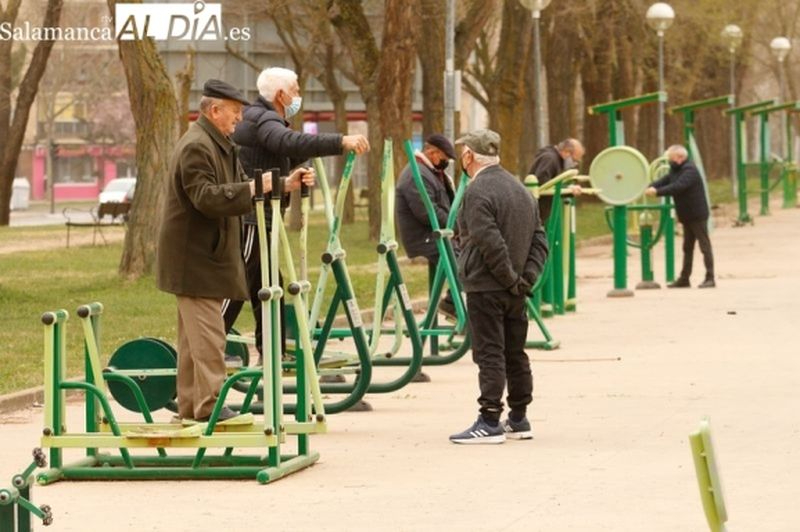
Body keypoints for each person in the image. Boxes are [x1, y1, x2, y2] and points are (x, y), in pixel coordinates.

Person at [156, 79, 312, 422]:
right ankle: (209, 407)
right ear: (215, 110)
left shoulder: (220, 145)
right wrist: (258, 185)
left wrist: (286, 184)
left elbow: (243, 186)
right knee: (209, 337)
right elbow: (207, 197)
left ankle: (191, 409)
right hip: (194, 258)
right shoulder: (197, 146)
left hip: (206, 255)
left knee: (193, 342)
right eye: (235, 113)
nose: (240, 119)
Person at [223, 67, 369, 362]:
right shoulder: (262, 118)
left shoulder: (264, 120)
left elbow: (287, 151)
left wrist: (300, 171)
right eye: (297, 90)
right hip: (250, 217)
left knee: (269, 288)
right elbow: (289, 143)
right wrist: (341, 141)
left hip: (261, 215)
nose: (299, 95)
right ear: (281, 95)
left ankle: (273, 356)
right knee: (239, 288)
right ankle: (200, 352)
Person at [449, 129, 549, 444]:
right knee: (515, 351)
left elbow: (487, 240)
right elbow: (539, 240)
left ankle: (489, 418)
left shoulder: (477, 192)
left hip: (486, 285)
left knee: (489, 351)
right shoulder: (520, 190)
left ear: (468, 156)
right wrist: (525, 279)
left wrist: (507, 277)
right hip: (516, 289)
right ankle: (518, 417)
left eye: (462, 153)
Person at [395, 134, 457, 318]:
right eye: (444, 158)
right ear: (431, 152)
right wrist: (458, 226)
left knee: (471, 258)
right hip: (425, 237)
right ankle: (453, 306)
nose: (445, 162)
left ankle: (455, 305)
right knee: (466, 263)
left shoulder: (429, 172)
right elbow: (428, 213)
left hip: (438, 233)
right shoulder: (416, 174)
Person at [645, 144, 715, 288]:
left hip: (697, 214)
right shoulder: (676, 169)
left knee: (704, 246)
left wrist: (657, 192)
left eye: (671, 158)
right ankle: (685, 278)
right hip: (686, 215)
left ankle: (710, 277)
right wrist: (651, 186)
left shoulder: (690, 171)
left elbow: (678, 186)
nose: (669, 161)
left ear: (680, 157)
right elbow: (665, 180)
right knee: (687, 247)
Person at [527, 138, 585, 224]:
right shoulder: (550, 159)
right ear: (566, 152)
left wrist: (568, 190)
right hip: (536, 211)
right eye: (574, 160)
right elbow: (543, 182)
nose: (574, 164)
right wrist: (567, 189)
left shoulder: (554, 159)